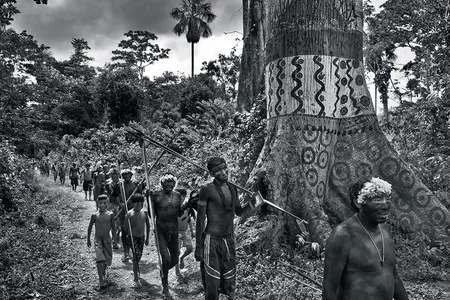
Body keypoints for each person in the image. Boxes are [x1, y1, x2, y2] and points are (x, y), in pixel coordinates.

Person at [322, 177, 409, 300]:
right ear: (358, 202)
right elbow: (329, 289)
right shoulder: (343, 235)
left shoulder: (385, 230)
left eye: (387, 198)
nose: (385, 205)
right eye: (377, 199)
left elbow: (393, 277)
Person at [195, 157, 257, 300]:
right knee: (212, 282)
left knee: (229, 281)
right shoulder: (206, 190)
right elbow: (200, 220)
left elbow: (239, 211)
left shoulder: (232, 188)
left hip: (228, 240)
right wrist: (199, 246)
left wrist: (252, 203)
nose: (223, 172)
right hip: (211, 241)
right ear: (211, 174)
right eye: (218, 171)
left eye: (224, 168)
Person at [150, 173, 187, 299]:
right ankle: (165, 287)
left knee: (175, 258)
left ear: (174, 183)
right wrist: (148, 199)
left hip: (174, 231)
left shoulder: (177, 195)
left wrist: (187, 204)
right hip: (161, 231)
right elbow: (151, 215)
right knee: (165, 258)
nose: (169, 184)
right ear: (162, 184)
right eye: (166, 182)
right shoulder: (156, 196)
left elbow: (180, 212)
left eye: (171, 182)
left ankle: (163, 271)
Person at [87, 194, 116, 289]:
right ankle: (101, 280)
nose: (102, 205)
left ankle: (103, 275)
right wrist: (88, 239)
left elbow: (114, 228)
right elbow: (90, 227)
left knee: (107, 261)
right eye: (100, 203)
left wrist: (115, 240)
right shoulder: (94, 215)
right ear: (97, 203)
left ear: (107, 203)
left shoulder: (110, 215)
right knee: (100, 259)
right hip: (98, 240)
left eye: (104, 203)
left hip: (107, 240)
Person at [124, 193, 150, 286]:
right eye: (136, 203)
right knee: (136, 255)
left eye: (140, 203)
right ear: (132, 203)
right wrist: (126, 219)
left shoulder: (145, 212)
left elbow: (147, 225)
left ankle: (135, 268)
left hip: (141, 238)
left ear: (142, 203)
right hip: (132, 237)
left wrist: (147, 237)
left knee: (139, 256)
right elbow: (125, 228)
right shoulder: (129, 213)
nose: (138, 205)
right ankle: (135, 278)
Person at [175, 193, 195, 280]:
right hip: (176, 232)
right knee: (177, 251)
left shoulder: (188, 208)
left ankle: (181, 258)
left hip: (185, 232)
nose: (181, 199)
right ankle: (177, 271)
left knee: (190, 248)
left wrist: (192, 231)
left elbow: (189, 219)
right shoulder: (174, 208)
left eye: (182, 197)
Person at [105, 168, 121, 249]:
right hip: (112, 205)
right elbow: (111, 195)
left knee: (120, 225)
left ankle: (116, 239)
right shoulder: (108, 183)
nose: (114, 176)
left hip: (122, 205)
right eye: (113, 174)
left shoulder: (122, 182)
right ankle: (115, 241)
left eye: (116, 174)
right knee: (114, 224)